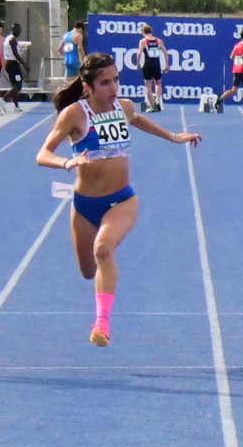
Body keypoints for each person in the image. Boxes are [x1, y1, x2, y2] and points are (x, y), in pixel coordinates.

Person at [36, 52, 201, 348]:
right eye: (105, 83)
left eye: (116, 80)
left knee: (103, 250)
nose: (113, 88)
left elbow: (137, 119)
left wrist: (174, 137)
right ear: (88, 87)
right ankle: (101, 296)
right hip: (85, 205)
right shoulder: (74, 114)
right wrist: (67, 162)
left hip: (122, 200)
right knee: (88, 272)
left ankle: (102, 324)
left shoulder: (123, 107)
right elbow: (43, 154)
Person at [136, 23, 169, 112]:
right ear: (151, 31)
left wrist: (138, 64)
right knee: (158, 84)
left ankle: (152, 106)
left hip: (147, 65)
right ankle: (157, 102)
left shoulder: (143, 41)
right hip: (157, 65)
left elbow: (139, 53)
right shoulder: (158, 41)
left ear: (143, 32)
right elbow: (166, 53)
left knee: (148, 86)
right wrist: (167, 65)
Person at [222, 28, 243, 113]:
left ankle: (219, 100)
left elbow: (231, 57)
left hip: (236, 69)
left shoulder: (237, 45)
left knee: (234, 90)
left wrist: (238, 62)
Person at [3, 22, 25, 109]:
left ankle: (16, 106)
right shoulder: (12, 40)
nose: (19, 31)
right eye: (18, 30)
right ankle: (4, 99)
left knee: (14, 85)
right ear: (13, 30)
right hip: (13, 64)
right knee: (18, 85)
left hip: (9, 63)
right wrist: (25, 65)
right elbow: (16, 54)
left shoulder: (8, 38)